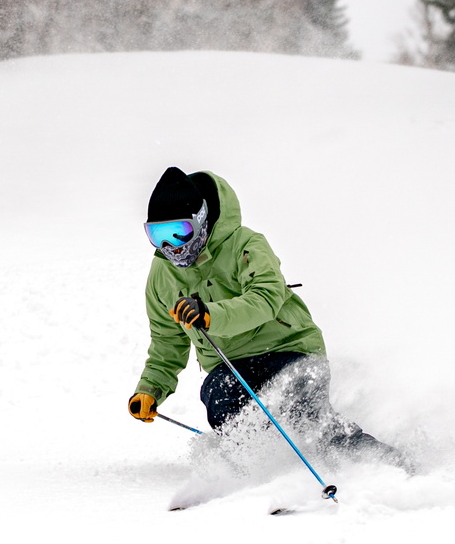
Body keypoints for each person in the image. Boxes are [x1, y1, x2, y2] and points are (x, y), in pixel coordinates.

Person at [127, 166, 405, 468]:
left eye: (179, 232)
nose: (170, 247)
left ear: (201, 220)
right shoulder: (161, 277)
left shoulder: (246, 245)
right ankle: (270, 472)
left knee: (304, 416)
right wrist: (149, 390)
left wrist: (210, 315)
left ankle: (380, 463)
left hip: (288, 349)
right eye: (157, 235)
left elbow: (265, 298)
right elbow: (167, 343)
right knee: (219, 398)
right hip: (230, 365)